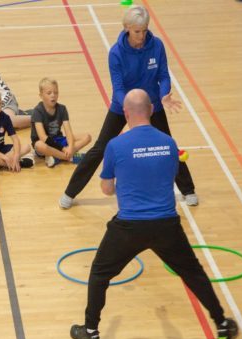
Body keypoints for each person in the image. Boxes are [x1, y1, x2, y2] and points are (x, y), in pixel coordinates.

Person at [70, 89, 238, 339]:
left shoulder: (115, 145)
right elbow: (168, 178)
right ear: (150, 110)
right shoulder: (169, 143)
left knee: (100, 274)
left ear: (125, 114)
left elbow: (106, 189)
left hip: (128, 227)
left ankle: (90, 330)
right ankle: (222, 325)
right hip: (166, 226)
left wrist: (121, 185)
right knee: (193, 272)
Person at [59, 5, 198, 209]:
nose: (141, 36)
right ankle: (70, 192)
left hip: (152, 105)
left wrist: (164, 95)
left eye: (144, 30)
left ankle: (188, 190)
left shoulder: (157, 45)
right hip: (123, 106)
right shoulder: (116, 53)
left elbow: (163, 76)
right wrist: (130, 107)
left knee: (168, 145)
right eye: (136, 31)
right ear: (126, 28)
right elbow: (118, 87)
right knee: (101, 148)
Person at [31, 78, 91, 167]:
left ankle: (56, 157)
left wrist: (70, 147)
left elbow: (68, 131)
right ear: (41, 95)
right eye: (49, 93)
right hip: (45, 144)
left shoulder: (62, 109)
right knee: (39, 145)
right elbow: (43, 137)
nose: (53, 95)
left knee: (87, 137)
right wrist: (63, 149)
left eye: (56, 92)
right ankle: (68, 157)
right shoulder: (37, 111)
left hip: (58, 139)